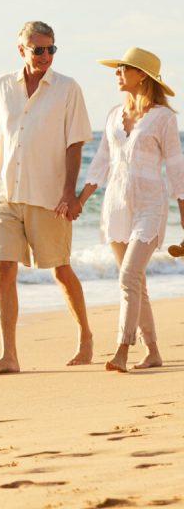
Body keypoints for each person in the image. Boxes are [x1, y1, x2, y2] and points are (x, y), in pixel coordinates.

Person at [0, 20, 94, 376]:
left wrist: (69, 194)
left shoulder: (67, 88)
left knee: (60, 269)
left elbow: (75, 143)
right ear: (22, 51)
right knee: (3, 269)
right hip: (5, 194)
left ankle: (86, 335)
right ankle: (9, 355)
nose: (46, 56)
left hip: (48, 196)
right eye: (38, 50)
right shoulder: (2, 86)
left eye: (51, 49)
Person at [77, 47, 184, 372]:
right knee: (136, 281)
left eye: (123, 68)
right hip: (117, 207)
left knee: (127, 277)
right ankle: (153, 351)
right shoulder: (113, 115)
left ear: (143, 76)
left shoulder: (164, 118)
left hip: (150, 207)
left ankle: (122, 348)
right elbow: (101, 162)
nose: (117, 73)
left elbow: (177, 171)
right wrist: (79, 201)